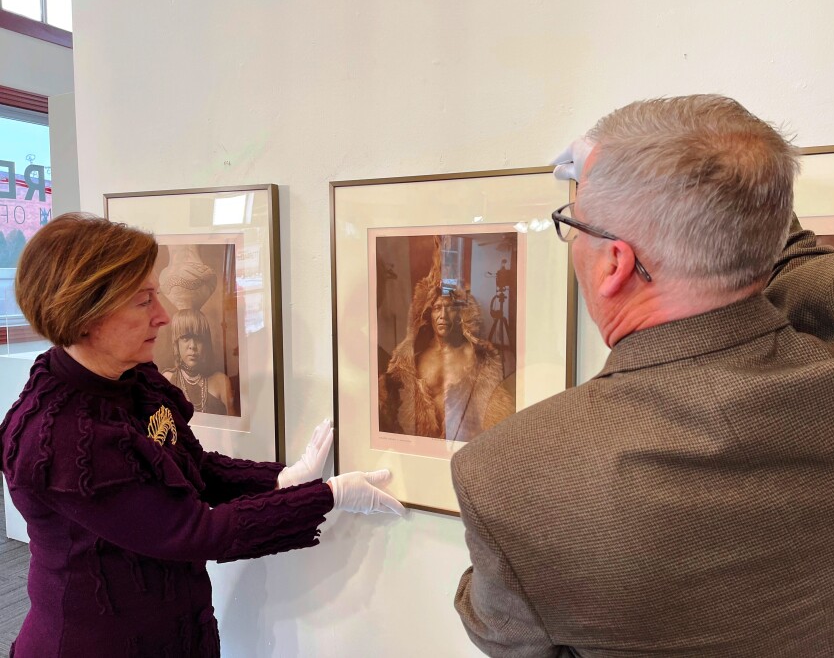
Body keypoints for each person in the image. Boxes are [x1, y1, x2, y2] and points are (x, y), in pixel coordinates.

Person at [452, 95, 834, 656]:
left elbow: (502, 632)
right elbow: (803, 260)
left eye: (573, 224)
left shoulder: (515, 478)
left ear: (615, 265)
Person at [0, 213, 404, 658]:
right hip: (96, 642)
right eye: (143, 301)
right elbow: (195, 531)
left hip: (173, 624)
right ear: (85, 317)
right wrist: (327, 495)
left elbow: (194, 467)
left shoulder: (132, 379)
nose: (164, 316)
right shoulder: (63, 437)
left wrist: (282, 479)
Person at [378, 239, 514, 442]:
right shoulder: (412, 359)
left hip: (464, 447)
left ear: (460, 314)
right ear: (427, 314)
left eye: (449, 308)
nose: (442, 315)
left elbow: (494, 410)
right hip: (422, 449)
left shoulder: (477, 356)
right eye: (436, 308)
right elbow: (390, 408)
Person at [163, 308, 236, 415]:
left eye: (198, 339)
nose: (192, 346)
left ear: (206, 344)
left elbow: (233, 428)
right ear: (176, 343)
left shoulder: (221, 382)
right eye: (185, 338)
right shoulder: (167, 380)